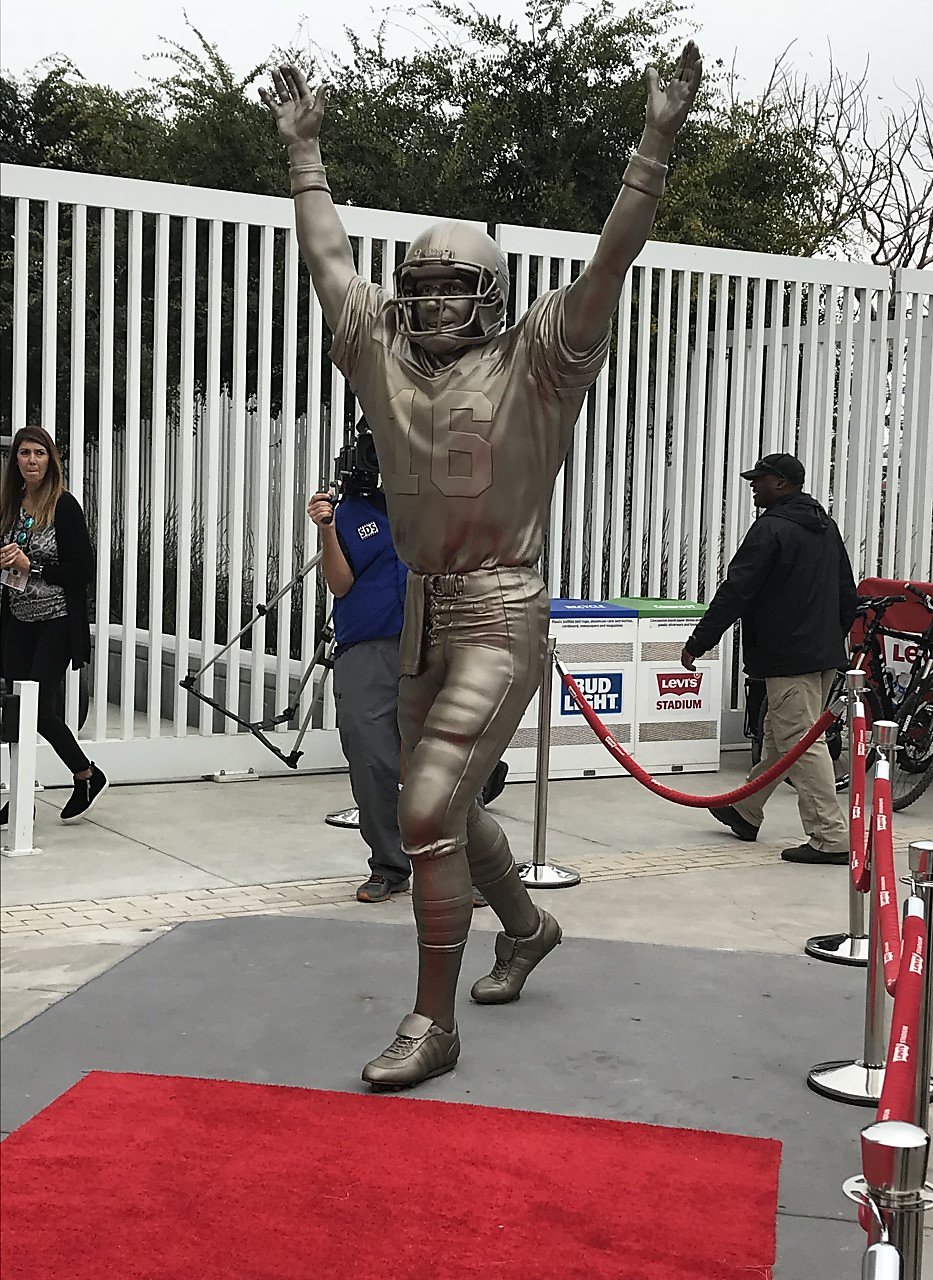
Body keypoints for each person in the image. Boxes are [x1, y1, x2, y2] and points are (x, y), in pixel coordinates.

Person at [261, 44, 702, 1088]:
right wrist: (305, 156)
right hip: (418, 604)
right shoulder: (382, 351)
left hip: (501, 607)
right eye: (416, 283)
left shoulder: (538, 359)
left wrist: (654, 143)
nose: (427, 299)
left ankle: (433, 1021)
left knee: (424, 811)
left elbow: (609, 264)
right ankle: (527, 925)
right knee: (451, 806)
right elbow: (329, 264)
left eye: (452, 284)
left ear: (494, 293)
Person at [307, 423, 496, 906]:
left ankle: (465, 868)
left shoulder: (441, 508)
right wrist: (327, 529)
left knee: (446, 760)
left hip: (435, 645)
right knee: (370, 758)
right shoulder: (349, 513)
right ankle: (389, 865)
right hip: (366, 647)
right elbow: (340, 585)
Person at [680, 453, 858, 866]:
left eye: (759, 480)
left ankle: (830, 837)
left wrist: (698, 641)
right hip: (822, 652)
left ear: (781, 483)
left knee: (800, 741)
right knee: (779, 737)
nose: (753, 486)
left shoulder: (771, 529)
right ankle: (746, 810)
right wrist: (831, 639)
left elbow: (736, 591)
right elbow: (847, 592)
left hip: (787, 654)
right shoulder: (824, 526)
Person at [0, 426, 107, 825]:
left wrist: (34, 566)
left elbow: (83, 570)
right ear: (15, 462)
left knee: (36, 709)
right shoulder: (11, 505)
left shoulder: (63, 506)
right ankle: (29, 792)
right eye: (24, 454)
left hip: (57, 621)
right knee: (16, 712)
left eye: (39, 454)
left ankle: (86, 774)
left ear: (51, 461)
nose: (31, 461)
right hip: (18, 619)